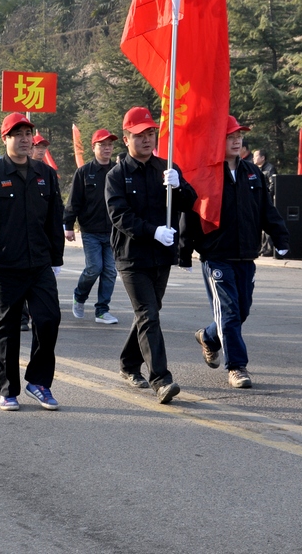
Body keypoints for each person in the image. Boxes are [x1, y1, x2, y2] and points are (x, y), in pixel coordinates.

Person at [183, 116, 290, 389]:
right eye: (230, 136)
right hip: (217, 255)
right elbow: (191, 213)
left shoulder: (252, 173)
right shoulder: (206, 173)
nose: (236, 140)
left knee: (241, 311)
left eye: (239, 136)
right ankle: (237, 368)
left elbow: (266, 210)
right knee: (229, 314)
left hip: (246, 255)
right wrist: (184, 250)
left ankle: (208, 337)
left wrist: (280, 237)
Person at [0, 112, 65, 411]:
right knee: (8, 329)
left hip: (39, 264)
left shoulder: (44, 174)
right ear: (6, 138)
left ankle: (38, 382)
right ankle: (8, 389)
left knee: (49, 320)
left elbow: (53, 218)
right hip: (5, 266)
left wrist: (56, 257)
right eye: (18, 134)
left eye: (28, 133)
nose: (25, 139)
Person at [106, 107, 197, 402]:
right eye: (139, 135)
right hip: (132, 255)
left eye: (150, 133)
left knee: (149, 313)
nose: (146, 139)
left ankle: (129, 363)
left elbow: (189, 202)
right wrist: (153, 230)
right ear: (126, 138)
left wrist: (179, 185)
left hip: (161, 255)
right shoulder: (117, 175)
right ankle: (160, 378)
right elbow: (120, 215)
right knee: (148, 314)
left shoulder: (166, 168)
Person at [64, 128, 119, 325]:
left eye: (110, 145)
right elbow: (74, 201)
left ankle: (102, 310)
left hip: (114, 231)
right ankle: (79, 296)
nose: (106, 148)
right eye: (102, 145)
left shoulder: (118, 171)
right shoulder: (84, 172)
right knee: (94, 268)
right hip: (91, 231)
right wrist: (68, 225)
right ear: (93, 147)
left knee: (110, 271)